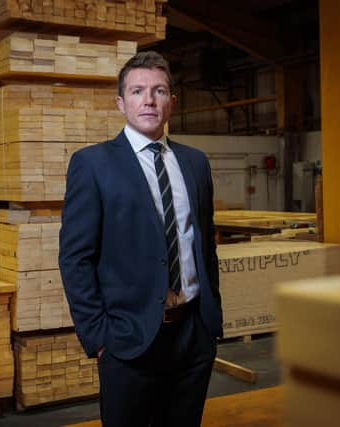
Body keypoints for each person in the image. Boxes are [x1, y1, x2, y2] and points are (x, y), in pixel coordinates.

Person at [58, 51, 223, 427]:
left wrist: (211, 323)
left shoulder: (195, 162)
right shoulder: (93, 164)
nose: (148, 100)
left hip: (193, 335)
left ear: (172, 102)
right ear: (121, 103)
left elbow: (205, 246)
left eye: (159, 90)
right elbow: (75, 258)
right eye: (137, 91)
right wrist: (100, 338)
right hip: (129, 340)